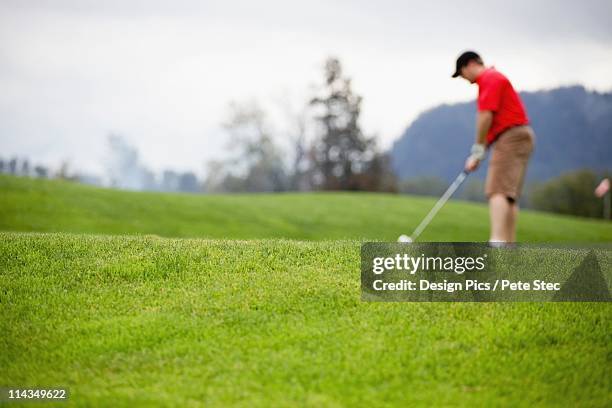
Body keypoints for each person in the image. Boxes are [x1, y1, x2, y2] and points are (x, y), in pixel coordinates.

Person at [452, 51, 534, 243]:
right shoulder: (493, 78)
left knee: (498, 191)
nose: (465, 79)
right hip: (520, 136)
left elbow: (485, 116)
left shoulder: (488, 78)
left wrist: (478, 150)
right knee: (509, 195)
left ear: (470, 64)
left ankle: (496, 243)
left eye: (462, 72)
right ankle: (508, 247)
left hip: (511, 137)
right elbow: (493, 123)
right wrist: (480, 154)